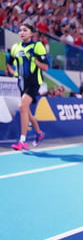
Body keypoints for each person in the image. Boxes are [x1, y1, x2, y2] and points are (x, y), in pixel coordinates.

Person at [7, 20, 49, 150]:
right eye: (20, 30)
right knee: (26, 110)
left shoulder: (37, 46)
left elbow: (46, 67)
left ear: (31, 34)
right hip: (21, 83)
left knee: (22, 106)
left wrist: (36, 62)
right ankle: (39, 133)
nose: (22, 32)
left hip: (34, 82)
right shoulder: (15, 48)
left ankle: (22, 140)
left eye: (25, 30)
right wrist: (13, 73)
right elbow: (9, 63)